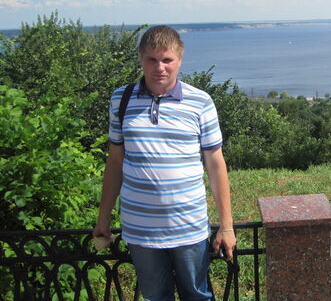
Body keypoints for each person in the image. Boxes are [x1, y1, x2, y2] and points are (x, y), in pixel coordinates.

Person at [93, 25, 236, 301]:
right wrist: (103, 217)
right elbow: (115, 162)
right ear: (141, 59)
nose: (160, 67)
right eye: (152, 59)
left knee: (197, 296)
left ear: (179, 60)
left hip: (189, 226)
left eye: (167, 59)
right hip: (140, 230)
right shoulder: (120, 99)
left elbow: (216, 165)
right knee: (155, 297)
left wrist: (226, 226)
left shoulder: (200, 102)